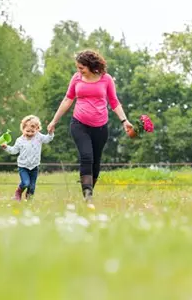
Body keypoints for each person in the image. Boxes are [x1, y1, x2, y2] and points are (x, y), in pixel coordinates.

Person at [47, 49, 133, 204]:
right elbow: (68, 99)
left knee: (96, 161)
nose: (79, 71)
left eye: (81, 68)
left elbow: (114, 101)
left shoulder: (106, 79)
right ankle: (88, 196)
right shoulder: (77, 78)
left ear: (91, 65)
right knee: (86, 156)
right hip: (79, 124)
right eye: (78, 68)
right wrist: (54, 121)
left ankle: (89, 191)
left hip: (101, 127)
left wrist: (124, 121)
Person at [2, 115, 54, 201]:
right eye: (27, 131)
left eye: (32, 131)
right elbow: (14, 151)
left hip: (34, 166)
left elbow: (48, 139)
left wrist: (50, 133)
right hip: (23, 166)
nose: (30, 133)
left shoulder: (39, 137)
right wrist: (6, 147)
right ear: (23, 129)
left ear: (37, 129)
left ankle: (29, 202)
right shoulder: (20, 140)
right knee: (26, 183)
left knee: (32, 187)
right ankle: (18, 193)